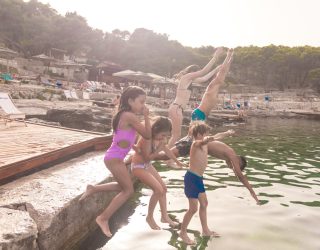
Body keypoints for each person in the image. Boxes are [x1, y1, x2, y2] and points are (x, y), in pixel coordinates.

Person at [79, 86, 152, 237]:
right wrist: (146, 116)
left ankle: (93, 188)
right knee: (128, 190)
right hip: (114, 159)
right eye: (141, 102)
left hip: (113, 157)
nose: (143, 105)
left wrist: (135, 148)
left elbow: (121, 137)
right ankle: (103, 218)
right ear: (130, 101)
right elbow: (147, 134)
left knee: (123, 187)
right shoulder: (130, 116)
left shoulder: (123, 115)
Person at [131, 116, 187, 230]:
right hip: (138, 167)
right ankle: (150, 218)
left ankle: (164, 216)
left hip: (147, 166)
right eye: (163, 135)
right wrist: (158, 149)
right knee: (158, 190)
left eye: (166, 136)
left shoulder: (159, 139)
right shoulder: (146, 139)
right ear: (155, 130)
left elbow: (167, 150)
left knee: (164, 189)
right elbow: (147, 158)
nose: (164, 138)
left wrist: (178, 162)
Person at [168, 47, 224, 149]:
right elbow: (203, 72)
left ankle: (169, 156)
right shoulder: (186, 78)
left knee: (176, 135)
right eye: (196, 72)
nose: (197, 74)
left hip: (178, 109)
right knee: (175, 136)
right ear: (192, 72)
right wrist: (215, 57)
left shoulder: (189, 80)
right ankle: (168, 158)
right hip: (177, 108)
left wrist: (216, 69)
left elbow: (204, 78)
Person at [179, 122, 220, 245]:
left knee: (204, 203)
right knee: (193, 209)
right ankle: (182, 232)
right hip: (192, 178)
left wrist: (227, 133)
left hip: (198, 179)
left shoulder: (205, 143)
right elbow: (203, 141)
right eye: (206, 134)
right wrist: (207, 139)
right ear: (199, 134)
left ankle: (205, 230)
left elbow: (215, 137)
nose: (208, 136)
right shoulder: (196, 144)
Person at [191, 48, 234, 121]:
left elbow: (225, 71)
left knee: (200, 132)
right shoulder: (213, 85)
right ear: (216, 77)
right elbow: (223, 71)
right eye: (220, 76)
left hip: (202, 115)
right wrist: (228, 56)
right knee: (197, 132)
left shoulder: (215, 87)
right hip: (199, 114)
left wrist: (231, 58)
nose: (223, 78)